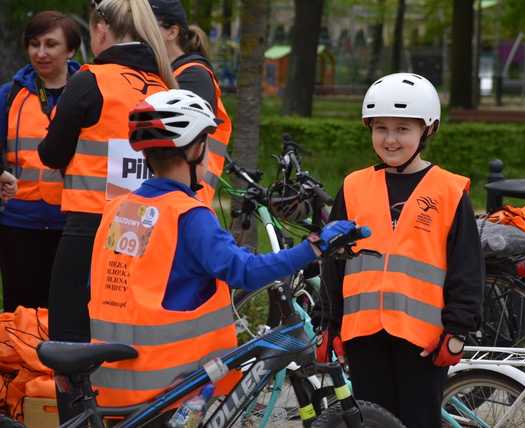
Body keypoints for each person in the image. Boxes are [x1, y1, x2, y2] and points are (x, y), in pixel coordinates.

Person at [88, 89, 358, 414]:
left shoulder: (120, 208)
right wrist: (314, 247)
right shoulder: (188, 215)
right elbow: (245, 270)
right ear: (195, 149)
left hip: (112, 382)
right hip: (170, 387)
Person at [314, 73, 484, 428]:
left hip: (422, 342)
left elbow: (466, 268)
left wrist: (456, 331)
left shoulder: (449, 191)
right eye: (381, 128)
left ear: (427, 130)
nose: (390, 139)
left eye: (403, 129)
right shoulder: (354, 186)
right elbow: (334, 262)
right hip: (363, 337)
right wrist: (329, 323)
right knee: (371, 421)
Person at [37, 0, 177, 348]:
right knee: (119, 321)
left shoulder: (90, 80)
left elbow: (51, 152)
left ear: (101, 29)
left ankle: (76, 402)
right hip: (141, 221)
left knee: (69, 330)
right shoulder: (163, 85)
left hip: (89, 222)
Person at [0, 11, 81, 312]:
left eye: (51, 44)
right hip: (18, 223)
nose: (41, 53)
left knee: (67, 314)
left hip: (73, 223)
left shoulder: (90, 94)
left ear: (70, 50)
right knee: (18, 314)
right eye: (34, 44)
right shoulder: (9, 96)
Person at [149, 0, 232, 206]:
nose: (141, 32)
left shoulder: (193, 76)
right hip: (171, 198)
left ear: (172, 32)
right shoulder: (167, 75)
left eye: (149, 25)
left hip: (187, 200)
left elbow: (174, 141)